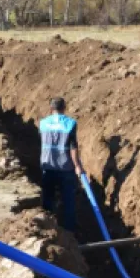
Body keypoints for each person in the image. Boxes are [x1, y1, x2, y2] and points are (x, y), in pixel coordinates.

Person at [39, 97, 86, 232]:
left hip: (48, 167)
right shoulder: (70, 123)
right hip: (66, 168)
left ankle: (49, 229)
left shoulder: (43, 123)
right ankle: (70, 233)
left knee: (48, 199)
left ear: (51, 109)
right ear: (64, 108)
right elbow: (73, 147)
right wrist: (77, 165)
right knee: (69, 201)